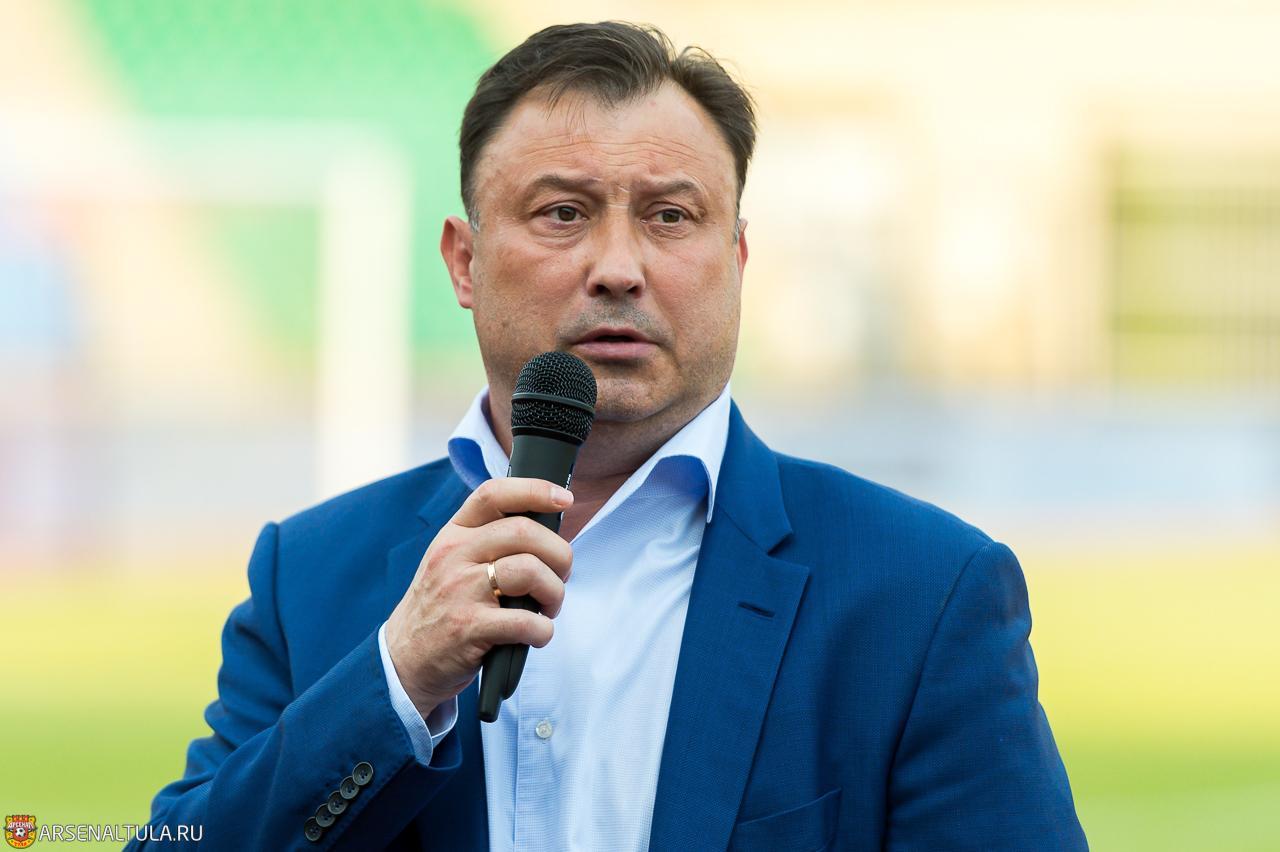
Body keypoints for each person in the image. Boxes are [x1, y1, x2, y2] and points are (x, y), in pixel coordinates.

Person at [132, 21, 1087, 851]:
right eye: (563, 213)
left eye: (671, 216)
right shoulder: (309, 576)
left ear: (737, 259)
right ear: (463, 262)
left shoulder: (922, 595)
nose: (619, 267)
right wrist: (397, 681)